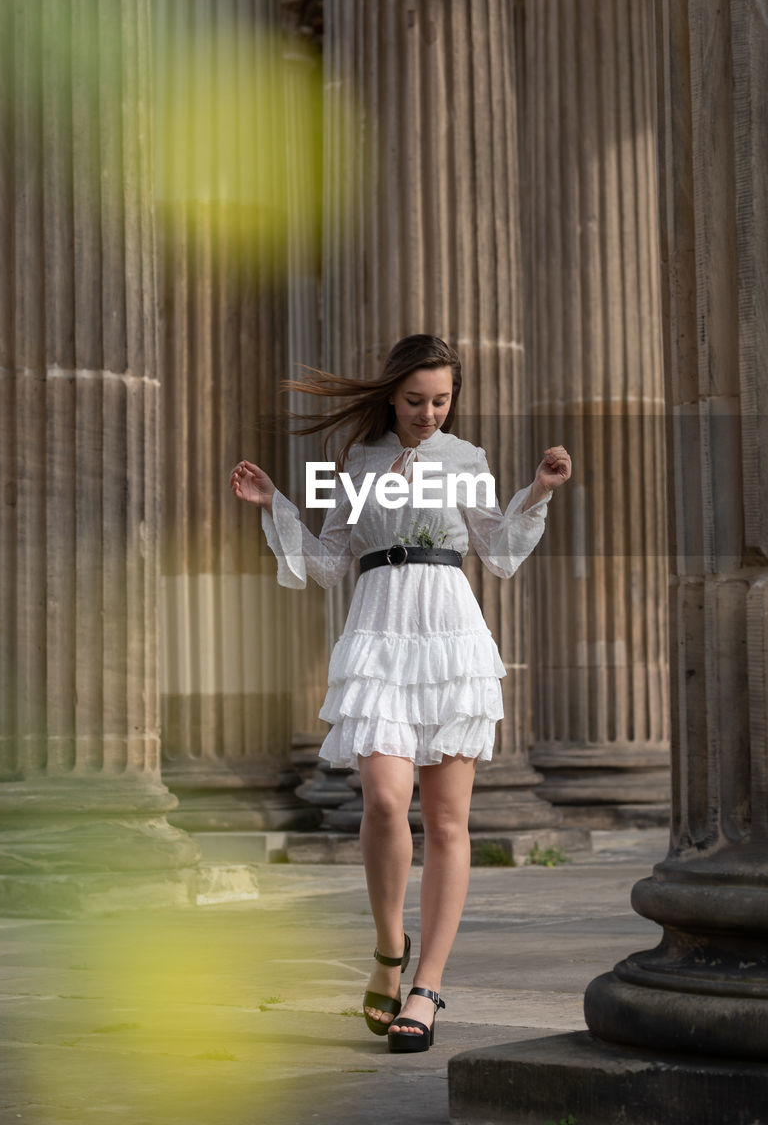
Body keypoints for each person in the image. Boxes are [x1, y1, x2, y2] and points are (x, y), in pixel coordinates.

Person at [229, 335, 571, 1053]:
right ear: (391, 394)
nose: (428, 412)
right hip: (379, 631)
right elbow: (326, 563)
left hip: (450, 636)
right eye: (416, 399)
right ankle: (390, 949)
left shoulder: (466, 459)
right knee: (384, 799)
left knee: (447, 823)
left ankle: (426, 984)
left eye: (441, 400)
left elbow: (499, 552)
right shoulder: (359, 463)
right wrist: (274, 505)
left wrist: (537, 489)